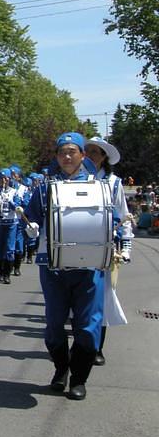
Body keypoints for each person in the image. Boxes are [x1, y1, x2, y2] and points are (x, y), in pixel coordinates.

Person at [21, 132, 105, 400]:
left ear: (82, 155)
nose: (67, 157)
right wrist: (32, 228)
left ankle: (79, 378)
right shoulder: (44, 188)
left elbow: (112, 219)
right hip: (53, 265)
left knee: (87, 325)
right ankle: (61, 368)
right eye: (62, 152)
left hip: (89, 265)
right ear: (56, 157)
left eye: (72, 151)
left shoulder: (99, 187)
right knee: (55, 323)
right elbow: (31, 218)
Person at [85, 136, 132, 366]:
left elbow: (124, 216)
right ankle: (81, 346)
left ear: (104, 157)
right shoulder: (75, 180)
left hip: (105, 248)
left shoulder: (113, 183)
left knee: (101, 299)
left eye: (95, 152)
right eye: (87, 151)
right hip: (78, 246)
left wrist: (127, 248)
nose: (90, 155)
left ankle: (97, 347)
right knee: (78, 299)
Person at [0, 168, 20, 284]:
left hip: (10, 223)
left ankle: (7, 274)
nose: (4, 180)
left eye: (6, 178)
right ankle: (1, 272)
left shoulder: (14, 191)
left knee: (9, 248)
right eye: (2, 178)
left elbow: (19, 206)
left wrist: (12, 203)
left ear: (9, 179)